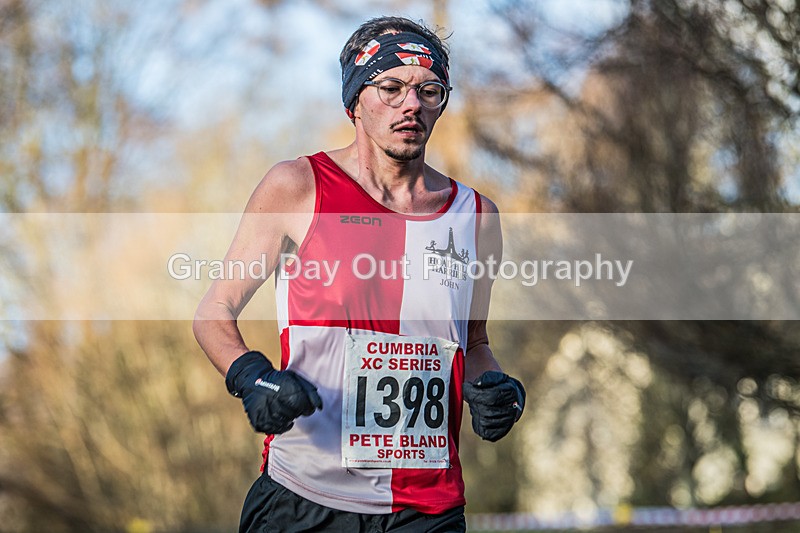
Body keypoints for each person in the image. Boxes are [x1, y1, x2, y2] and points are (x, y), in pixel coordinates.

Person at [193, 15, 526, 533]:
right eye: (390, 87)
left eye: (429, 90)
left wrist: (496, 389)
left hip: (427, 508)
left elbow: (475, 341)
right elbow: (214, 313)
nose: (411, 104)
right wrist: (250, 377)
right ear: (355, 100)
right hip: (306, 495)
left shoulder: (478, 216)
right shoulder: (297, 186)